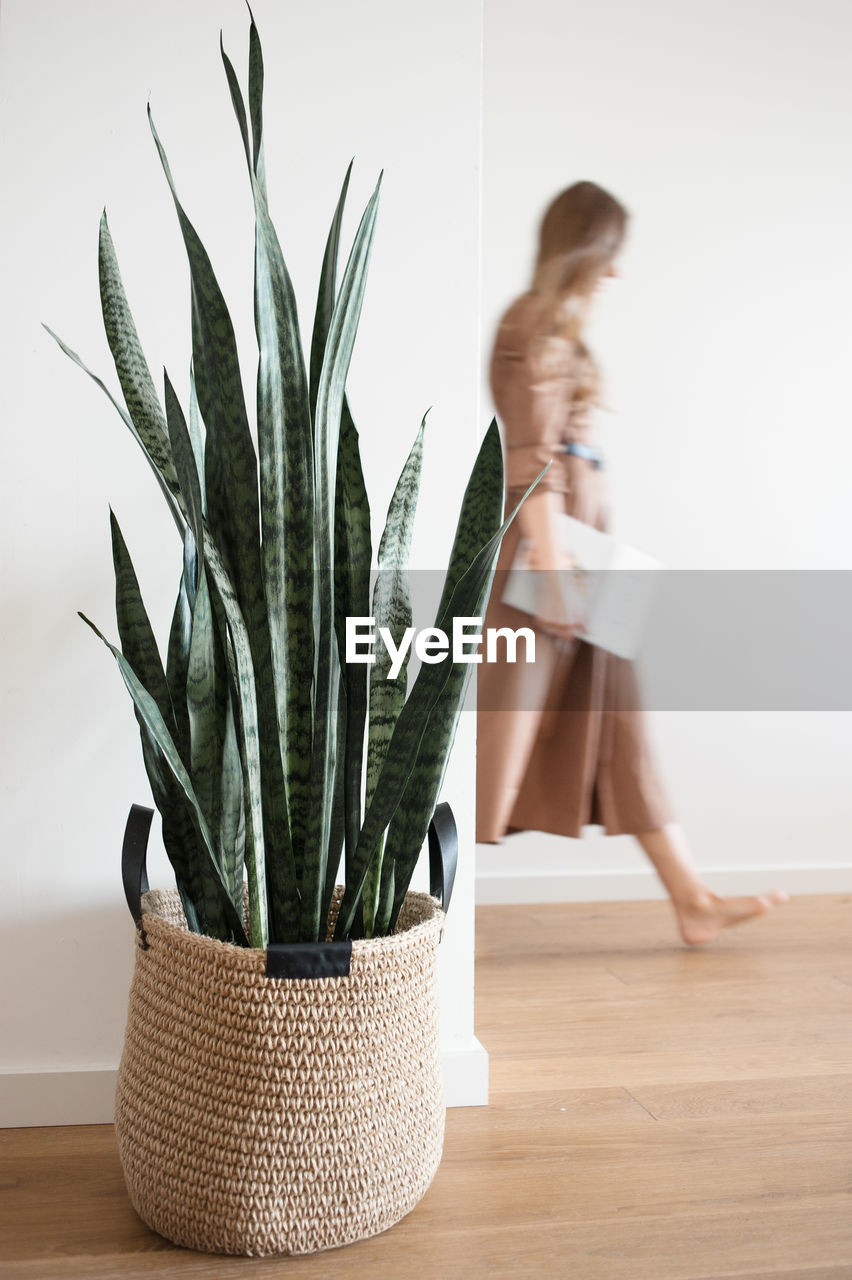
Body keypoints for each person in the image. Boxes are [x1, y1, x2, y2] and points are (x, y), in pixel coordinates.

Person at [476, 180, 788, 946]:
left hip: (582, 557)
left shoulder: (556, 326)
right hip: (547, 562)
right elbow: (531, 463)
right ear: (585, 248)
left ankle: (692, 898)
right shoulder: (532, 322)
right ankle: (420, 913)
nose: (615, 274)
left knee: (620, 725)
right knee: (501, 732)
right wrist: (550, 571)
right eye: (609, 257)